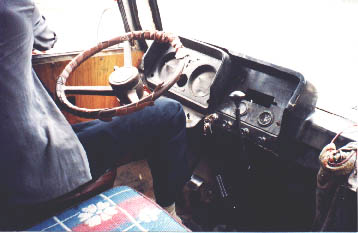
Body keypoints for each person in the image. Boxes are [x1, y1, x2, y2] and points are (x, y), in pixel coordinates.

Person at [0, 0, 190, 230]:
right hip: (32, 171)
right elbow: (47, 39)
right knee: (170, 113)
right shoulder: (12, 6)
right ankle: (170, 213)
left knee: (87, 130)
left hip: (9, 167)